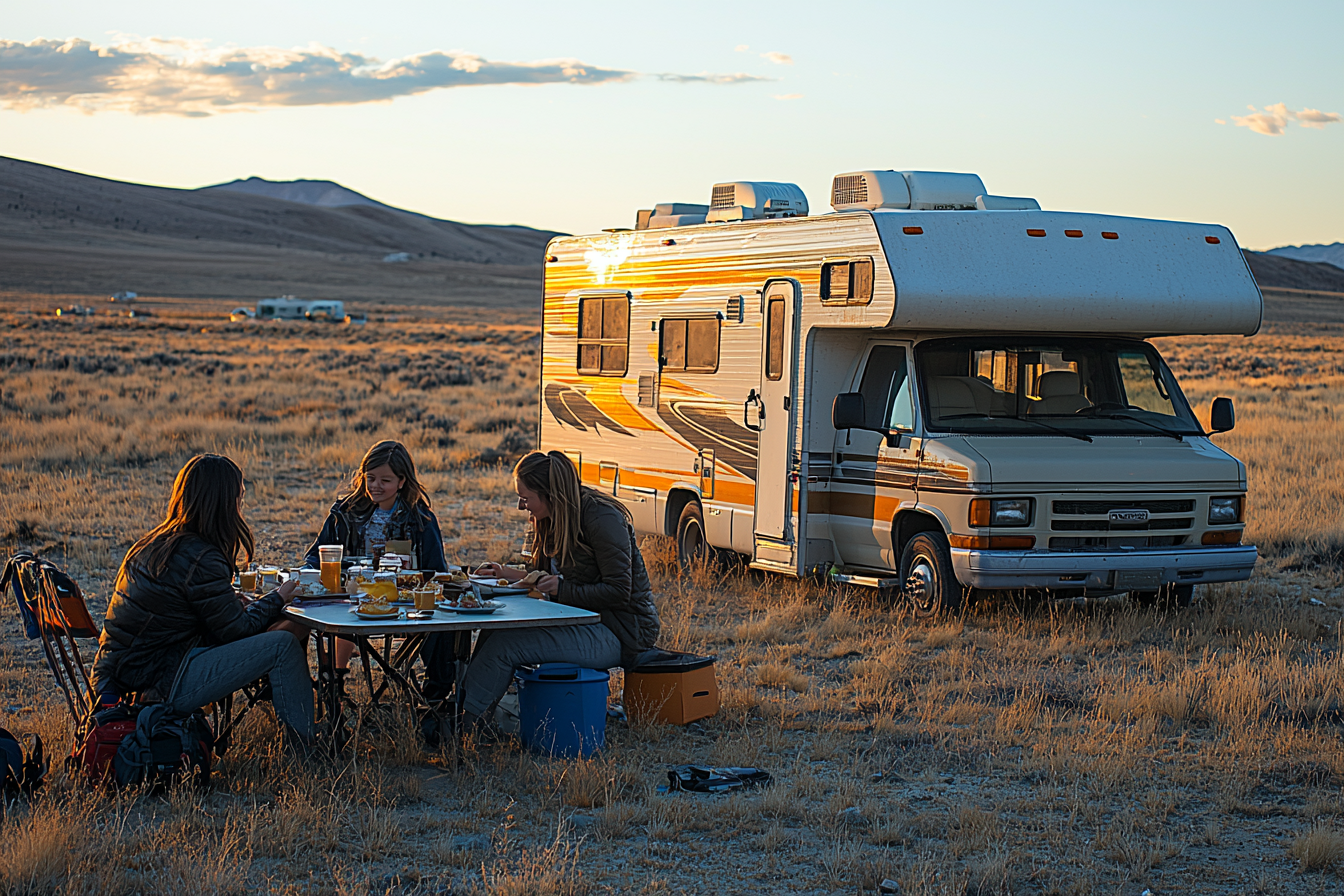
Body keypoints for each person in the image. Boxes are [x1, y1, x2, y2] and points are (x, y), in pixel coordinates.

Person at [91, 454, 314, 750]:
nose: (240, 506)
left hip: (125, 673)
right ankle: (306, 747)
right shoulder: (200, 556)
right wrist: (278, 597)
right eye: (239, 497)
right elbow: (236, 631)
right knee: (282, 644)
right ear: (223, 502)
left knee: (282, 629)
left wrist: (233, 600)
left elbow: (180, 610)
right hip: (158, 682)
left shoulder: (157, 542)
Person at [450, 450, 660, 735]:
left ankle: (464, 726)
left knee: (506, 646)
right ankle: (463, 709)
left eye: (526, 498)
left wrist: (564, 589)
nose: (521, 506)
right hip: (581, 619)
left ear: (550, 494)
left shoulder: (601, 518)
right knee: (493, 630)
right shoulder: (549, 518)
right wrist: (506, 573)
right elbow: (543, 576)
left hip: (620, 630)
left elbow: (619, 591)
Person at [296, 440, 448, 682]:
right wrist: (306, 574)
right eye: (371, 478)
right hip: (348, 596)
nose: (376, 486)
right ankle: (330, 680)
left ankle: (435, 697)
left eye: (385, 481)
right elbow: (316, 555)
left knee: (443, 628)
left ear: (402, 481)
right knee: (299, 615)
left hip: (402, 601)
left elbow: (437, 571)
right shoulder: (344, 513)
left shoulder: (421, 520)